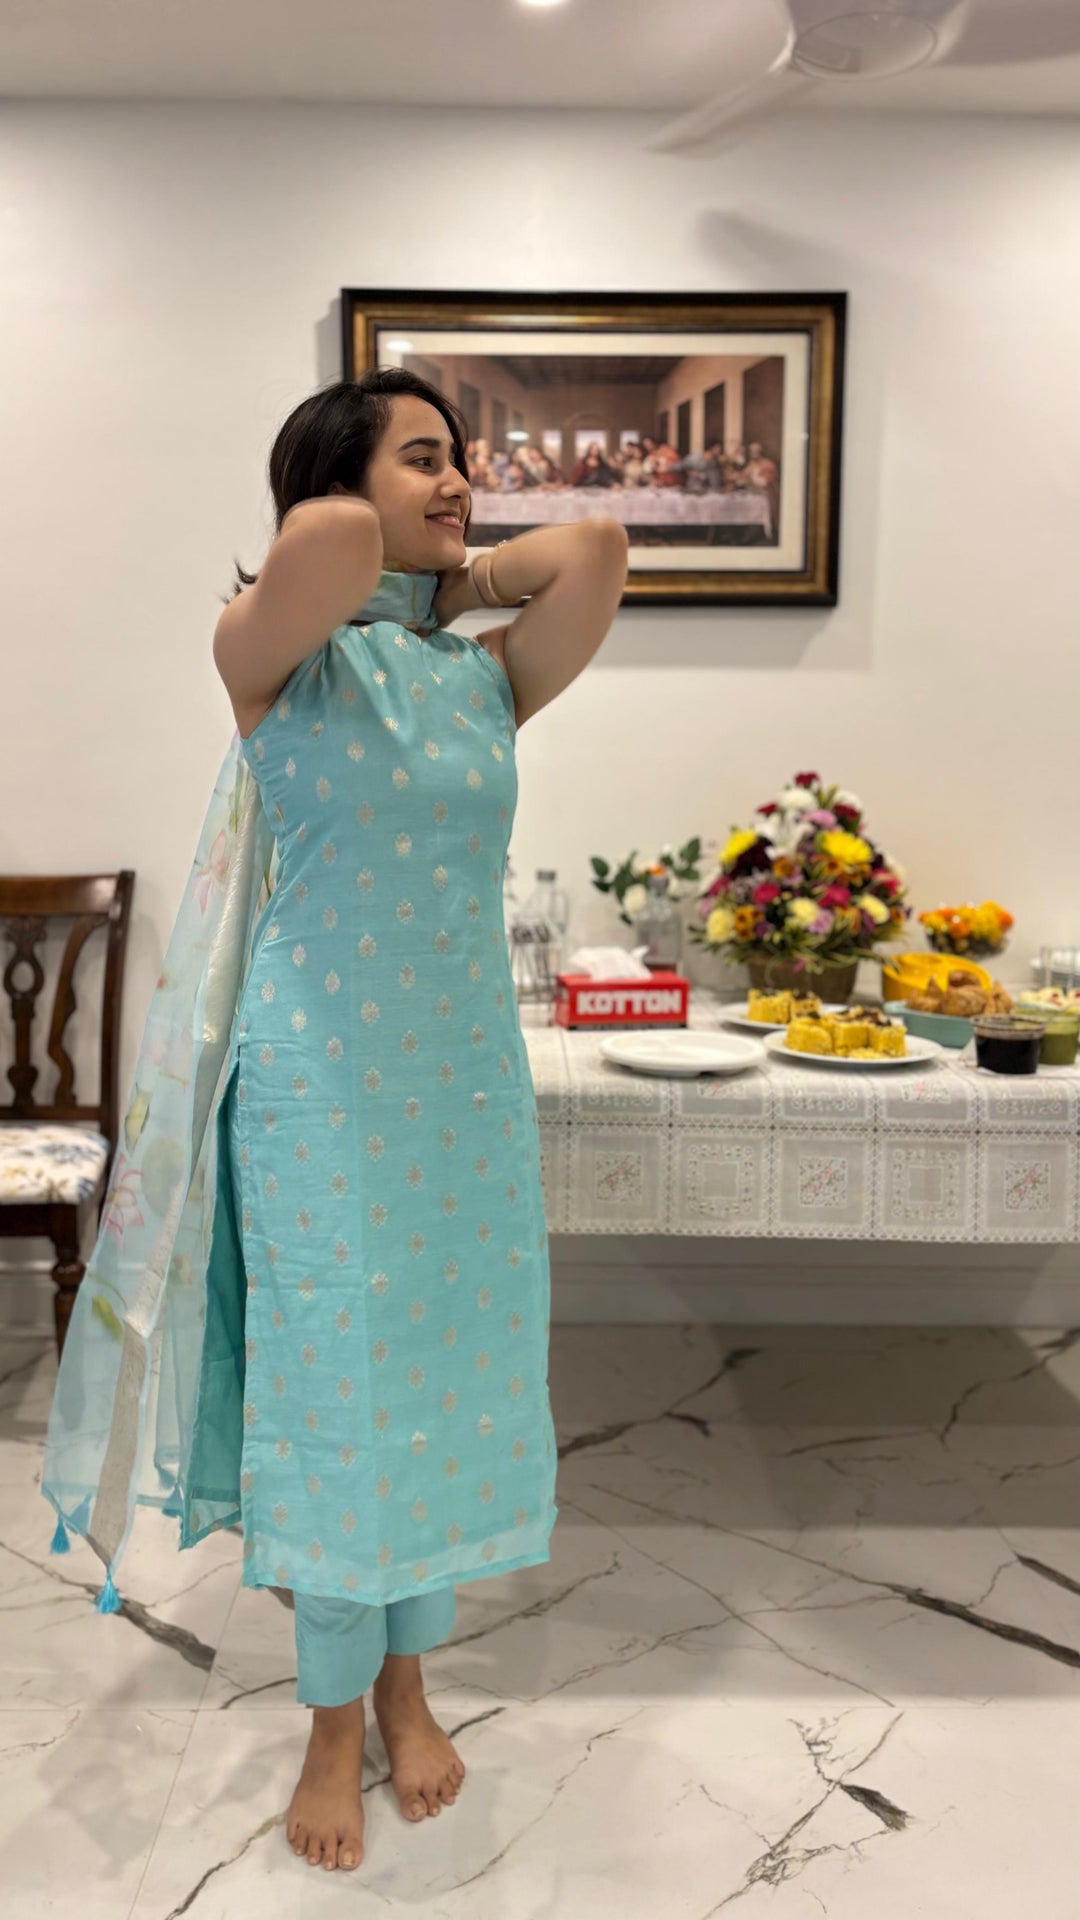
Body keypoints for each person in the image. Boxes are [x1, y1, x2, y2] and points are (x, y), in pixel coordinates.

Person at [42, 368, 629, 1873]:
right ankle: (329, 1724)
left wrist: (456, 574)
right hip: (316, 1097)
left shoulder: (479, 680)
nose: (460, 481)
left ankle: (410, 1689)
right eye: (423, 457)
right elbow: (325, 543)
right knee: (334, 1404)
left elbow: (596, 548)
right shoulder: (271, 661)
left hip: (462, 1098)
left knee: (436, 1395)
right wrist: (400, 538)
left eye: (463, 458)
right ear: (341, 476)